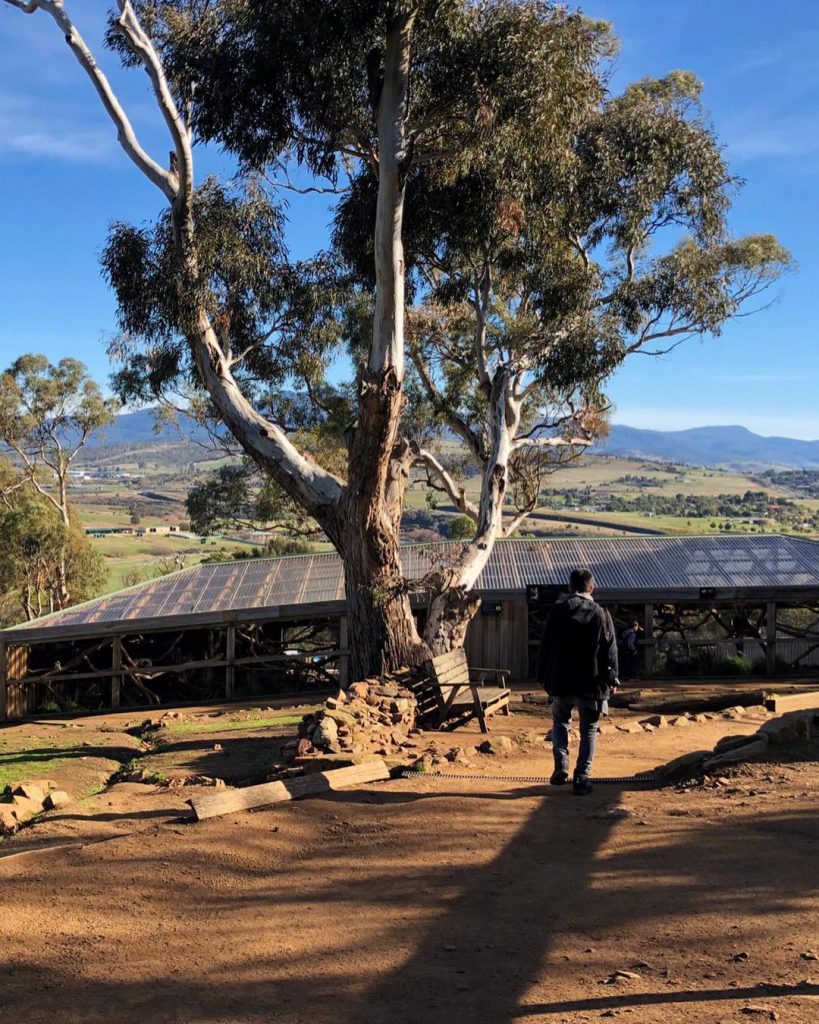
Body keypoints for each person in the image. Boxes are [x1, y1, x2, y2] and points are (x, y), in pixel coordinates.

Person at [536, 568, 619, 796]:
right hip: (591, 683)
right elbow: (610, 649)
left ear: (570, 587)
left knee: (560, 722)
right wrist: (612, 678)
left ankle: (561, 764)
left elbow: (546, 645)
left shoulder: (558, 610)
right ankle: (581, 778)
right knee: (588, 731)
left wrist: (541, 674)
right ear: (591, 588)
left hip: (561, 679)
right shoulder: (601, 614)